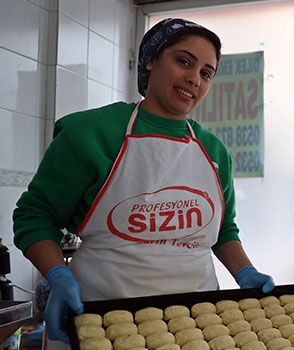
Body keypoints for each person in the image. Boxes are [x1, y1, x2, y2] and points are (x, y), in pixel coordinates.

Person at [12, 18, 275, 347]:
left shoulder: (214, 151)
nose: (194, 79)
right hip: (99, 318)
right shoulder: (92, 134)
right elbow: (35, 216)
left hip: (196, 324)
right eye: (183, 62)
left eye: (206, 73)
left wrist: (245, 273)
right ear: (150, 60)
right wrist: (57, 274)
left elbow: (223, 231)